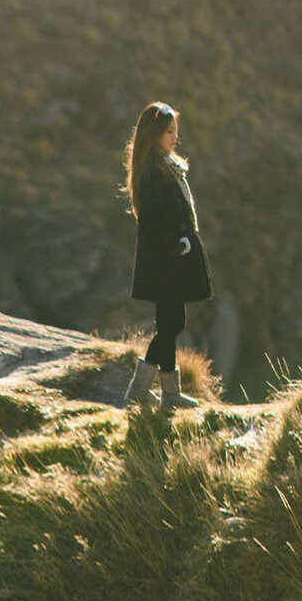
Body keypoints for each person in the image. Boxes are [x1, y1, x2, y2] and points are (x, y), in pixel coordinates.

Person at [123, 100, 212, 411]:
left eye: (176, 131)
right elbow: (153, 222)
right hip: (165, 262)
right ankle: (142, 389)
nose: (175, 137)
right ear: (154, 134)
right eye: (169, 131)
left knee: (170, 324)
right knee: (171, 325)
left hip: (169, 261)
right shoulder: (153, 173)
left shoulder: (165, 167)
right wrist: (179, 245)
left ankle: (168, 395)